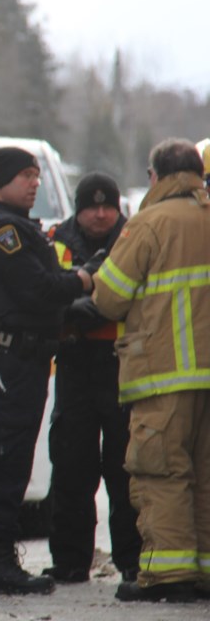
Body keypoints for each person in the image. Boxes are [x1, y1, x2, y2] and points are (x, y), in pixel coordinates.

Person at [0, 147, 99, 595]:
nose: (35, 183)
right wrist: (87, 279)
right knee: (2, 460)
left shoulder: (5, 225)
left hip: (13, 362)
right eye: (25, 176)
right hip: (1, 363)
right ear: (0, 181)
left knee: (6, 460)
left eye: (36, 175)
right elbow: (38, 290)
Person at [93, 138, 210, 603]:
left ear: (155, 177)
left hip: (165, 374)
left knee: (161, 472)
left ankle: (168, 575)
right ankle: (202, 571)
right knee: (204, 474)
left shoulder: (150, 224)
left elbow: (109, 297)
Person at [41, 172, 141, 584]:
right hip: (75, 362)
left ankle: (133, 561)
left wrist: (85, 310)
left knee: (126, 468)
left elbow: (134, 297)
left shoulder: (135, 238)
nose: (100, 214)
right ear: (78, 209)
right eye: (91, 206)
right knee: (70, 465)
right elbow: (46, 295)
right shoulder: (55, 240)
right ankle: (69, 561)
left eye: (107, 206)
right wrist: (76, 312)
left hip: (122, 362)